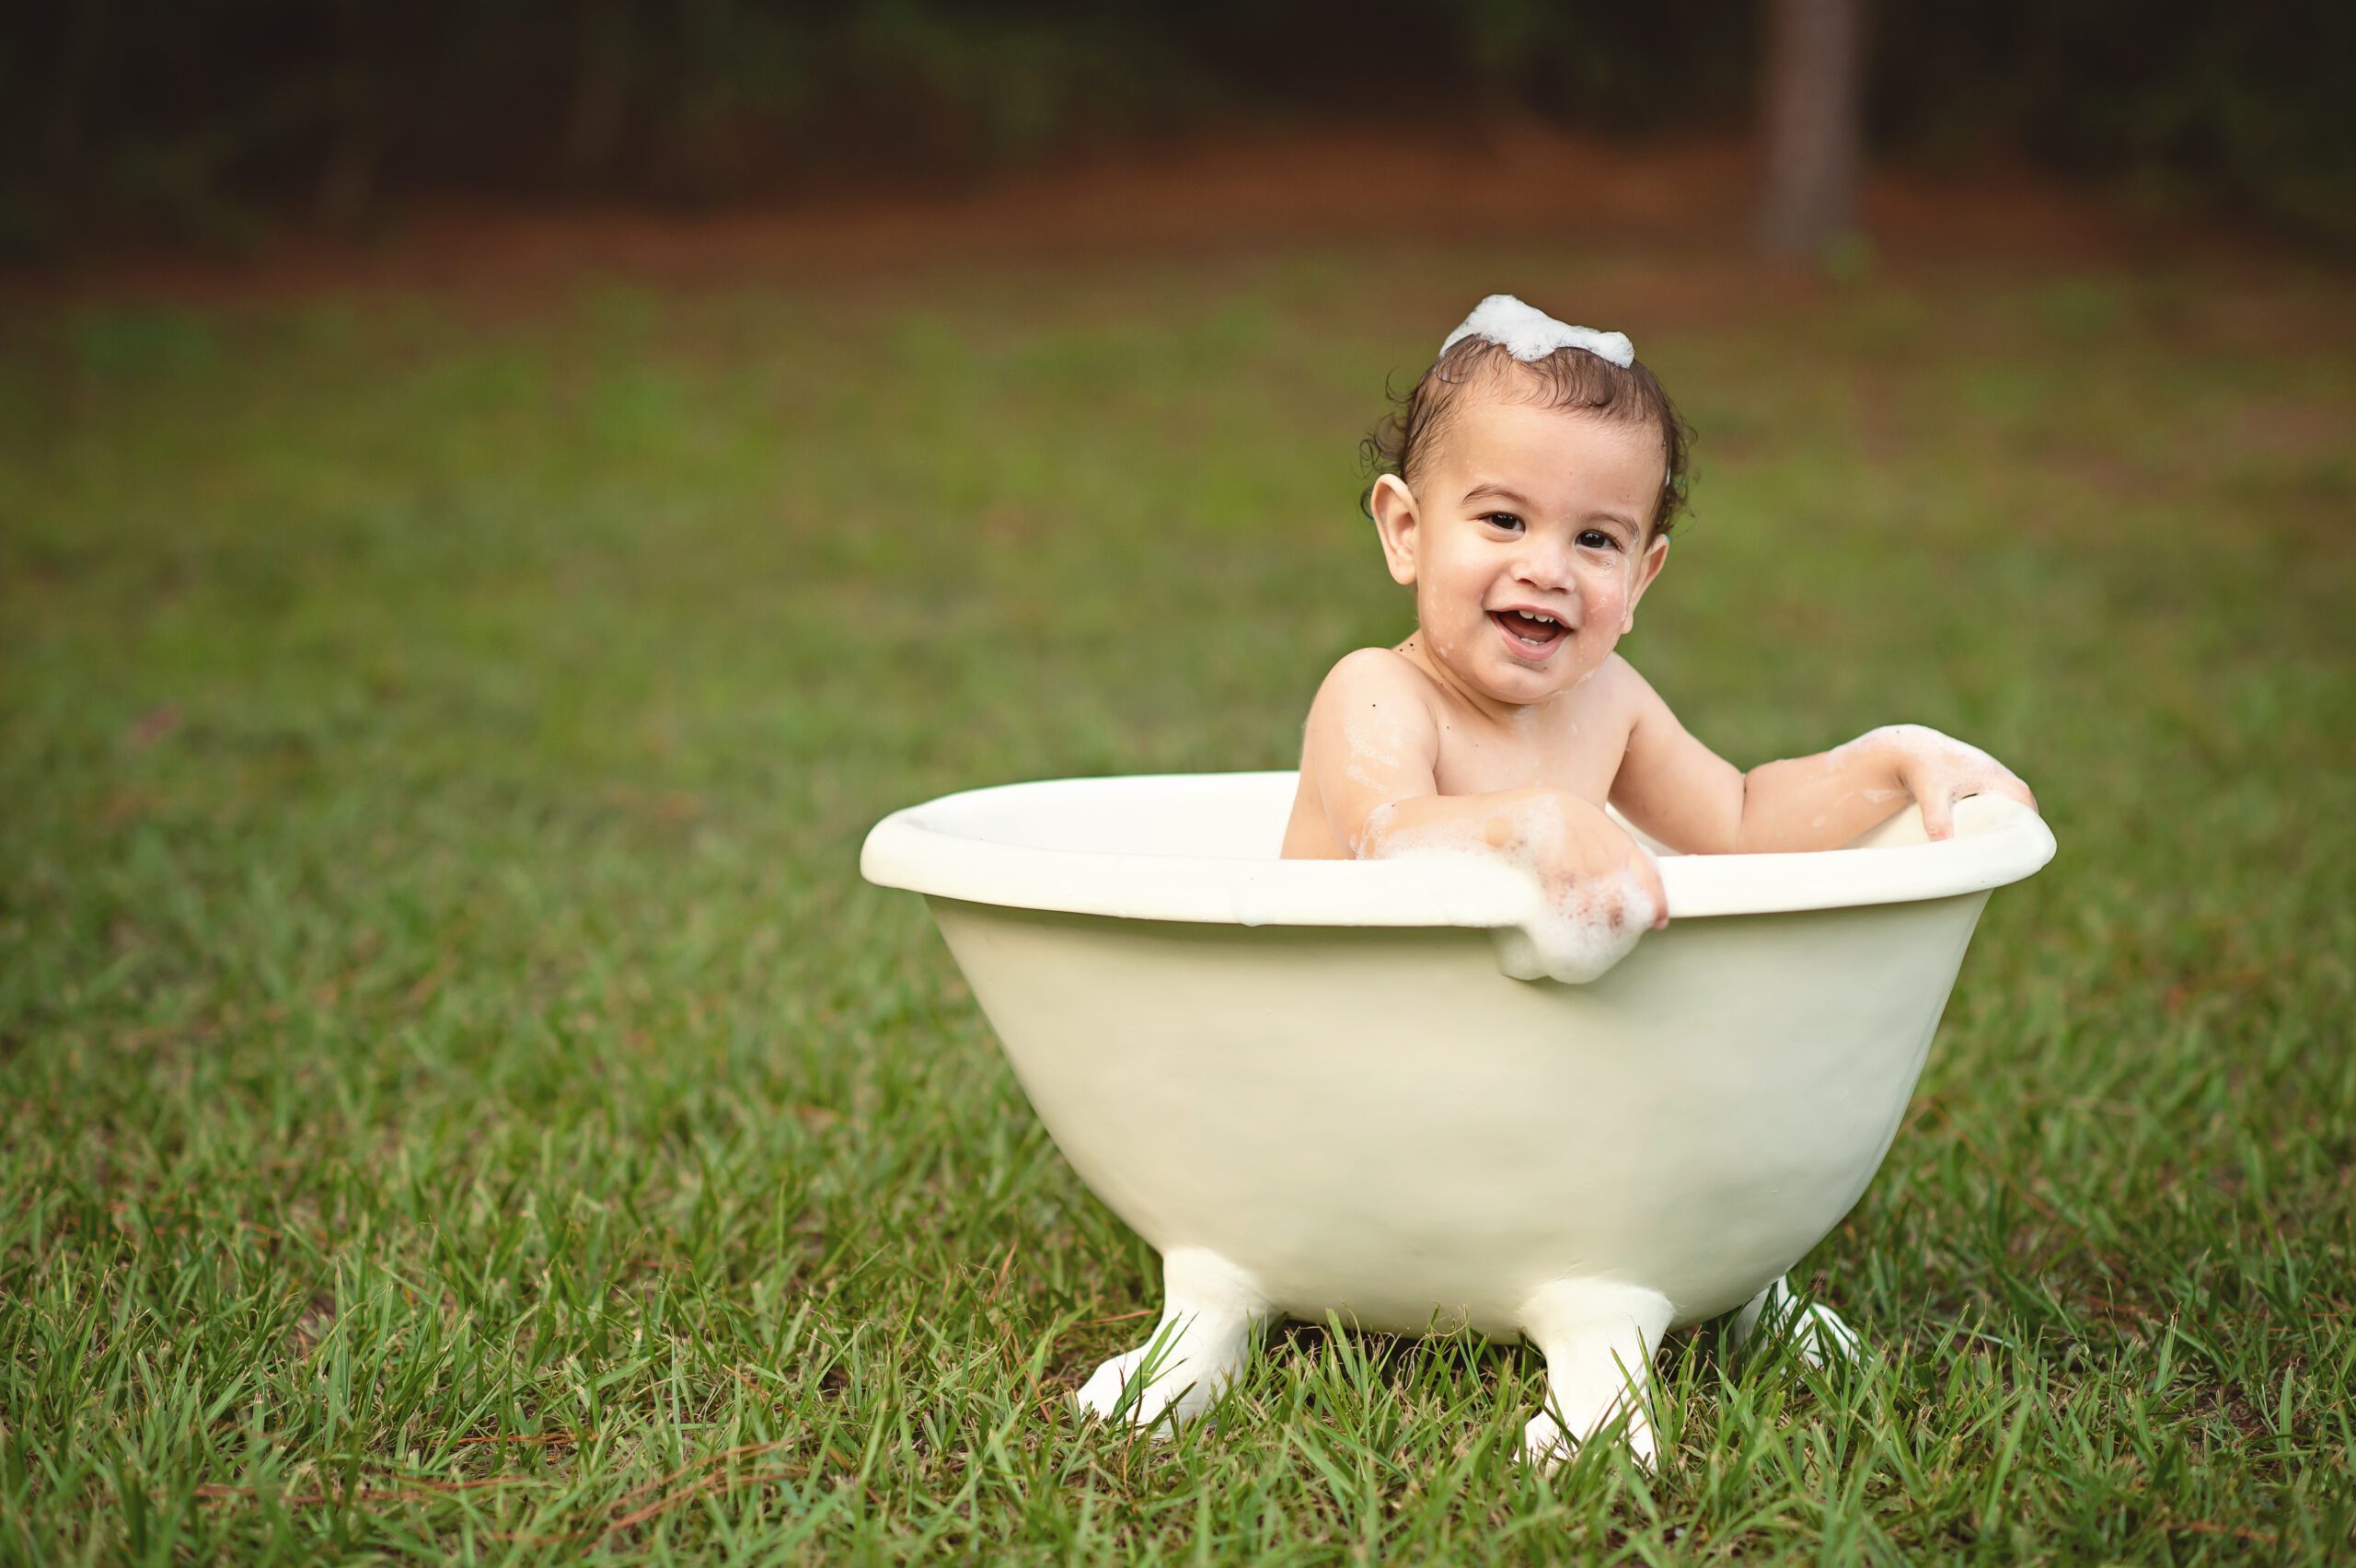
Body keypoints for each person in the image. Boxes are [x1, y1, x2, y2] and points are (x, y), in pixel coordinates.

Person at [1279, 294, 2035, 963]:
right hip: (1345, 1016)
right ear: (1407, 532)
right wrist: (1534, 824)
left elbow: (1740, 823)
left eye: (1596, 540)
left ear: (1641, 579)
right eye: (1504, 520)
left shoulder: (1608, 700)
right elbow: (1388, 838)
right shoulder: (1378, 692)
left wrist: (1891, 761)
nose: (1548, 569)